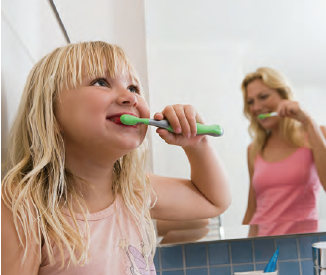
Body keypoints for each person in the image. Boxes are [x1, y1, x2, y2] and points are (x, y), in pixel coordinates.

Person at [1, 41, 231, 275]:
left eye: (133, 88)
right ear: (52, 113)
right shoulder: (24, 206)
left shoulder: (134, 191)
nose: (129, 98)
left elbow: (213, 201)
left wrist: (197, 145)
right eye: (100, 82)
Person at [241, 67, 326, 237]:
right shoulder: (254, 149)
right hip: (262, 244)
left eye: (263, 97)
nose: (256, 107)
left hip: (303, 245)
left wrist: (308, 122)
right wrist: (243, 251)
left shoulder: (317, 133)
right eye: (250, 102)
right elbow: (253, 208)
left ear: (284, 95)